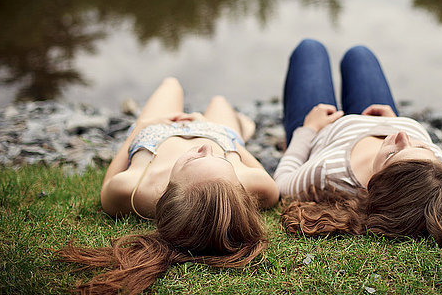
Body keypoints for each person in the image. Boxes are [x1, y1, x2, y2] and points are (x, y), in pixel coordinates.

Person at [274, 39, 442, 244]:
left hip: (326, 128)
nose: (401, 136)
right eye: (422, 147)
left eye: (393, 153)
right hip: (379, 112)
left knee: (309, 50)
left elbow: (281, 183)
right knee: (360, 54)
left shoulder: (329, 173)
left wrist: (307, 131)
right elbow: (409, 146)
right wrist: (393, 120)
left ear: (376, 184)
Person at [59, 77, 279, 295]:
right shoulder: (254, 184)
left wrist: (138, 129)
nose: (205, 147)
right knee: (220, 101)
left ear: (169, 191)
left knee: (171, 84)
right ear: (237, 188)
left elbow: (107, 183)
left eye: (193, 160)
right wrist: (223, 136)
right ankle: (241, 127)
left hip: (156, 131)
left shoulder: (132, 188)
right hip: (220, 135)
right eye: (223, 162)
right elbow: (240, 152)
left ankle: (239, 124)